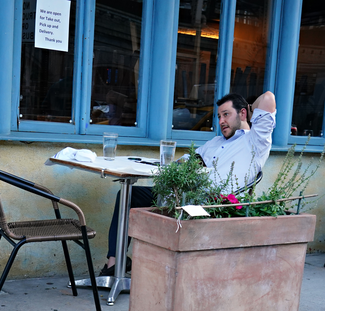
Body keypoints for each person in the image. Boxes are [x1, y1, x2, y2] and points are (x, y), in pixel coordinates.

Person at [99, 91, 277, 277]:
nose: (221, 121)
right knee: (128, 194)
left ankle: (152, 271)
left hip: (210, 207)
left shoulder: (255, 141)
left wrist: (250, 109)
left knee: (148, 207)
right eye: (218, 116)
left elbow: (268, 98)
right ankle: (114, 263)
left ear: (242, 113)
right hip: (183, 198)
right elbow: (188, 161)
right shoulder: (215, 142)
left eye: (226, 114)